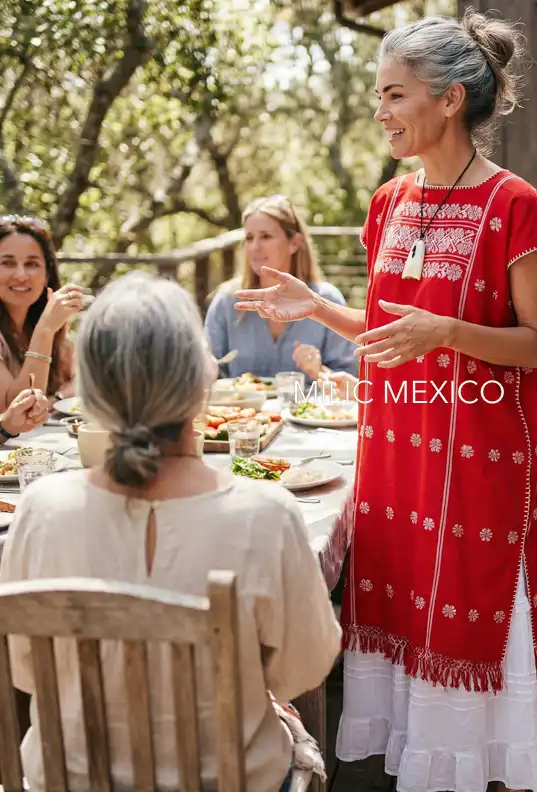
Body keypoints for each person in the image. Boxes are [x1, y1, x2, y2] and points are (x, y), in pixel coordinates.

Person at [234, 8, 537, 791]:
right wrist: (316, 308)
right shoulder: (389, 203)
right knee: (400, 611)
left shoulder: (515, 205)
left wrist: (447, 332)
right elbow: (390, 329)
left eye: (394, 95)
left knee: (462, 612)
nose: (380, 113)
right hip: (392, 456)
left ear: (449, 100)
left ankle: (470, 766)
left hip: (476, 464)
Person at [0, 271, 342, 791]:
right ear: (201, 380)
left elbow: (26, 671)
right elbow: (303, 669)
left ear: (90, 386)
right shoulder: (267, 515)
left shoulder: (39, 510)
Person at [204, 195, 357, 382]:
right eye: (249, 238)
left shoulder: (327, 299)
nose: (255, 247)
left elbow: (352, 387)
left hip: (308, 411)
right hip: (240, 411)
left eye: (266, 236)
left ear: (294, 243)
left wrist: (320, 371)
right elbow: (206, 375)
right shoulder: (227, 301)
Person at [0, 215, 84, 408]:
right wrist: (45, 329)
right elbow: (18, 413)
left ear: (47, 274)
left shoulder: (38, 321)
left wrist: (57, 399)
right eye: (7, 263)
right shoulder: (45, 324)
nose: (21, 275)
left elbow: (84, 378)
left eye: (31, 264)